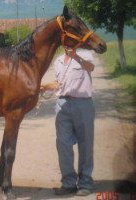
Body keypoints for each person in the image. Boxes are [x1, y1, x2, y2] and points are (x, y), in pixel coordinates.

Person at [40, 48, 95, 196]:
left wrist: (76, 57)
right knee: (63, 144)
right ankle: (68, 183)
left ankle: (85, 183)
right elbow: (58, 83)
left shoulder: (85, 55)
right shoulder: (58, 60)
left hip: (83, 104)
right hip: (62, 104)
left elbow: (90, 68)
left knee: (86, 145)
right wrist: (44, 86)